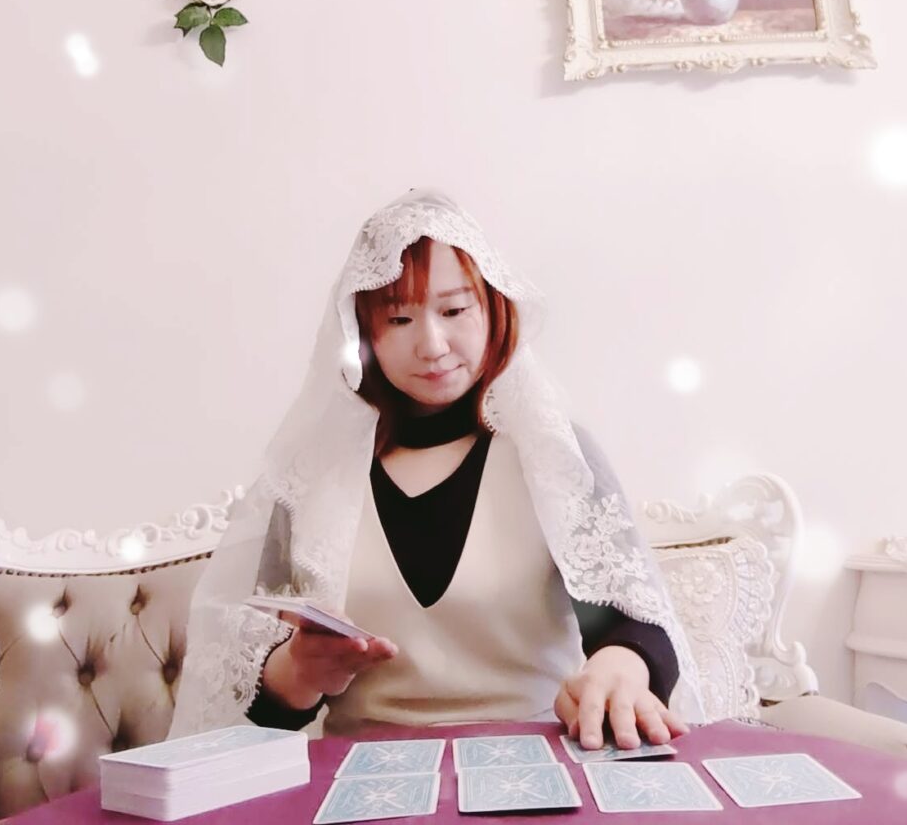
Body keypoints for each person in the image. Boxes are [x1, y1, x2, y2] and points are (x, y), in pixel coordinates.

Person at [170, 189, 705, 747]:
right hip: (362, 778)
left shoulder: (550, 454)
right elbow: (256, 706)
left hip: (535, 763)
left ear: (493, 309)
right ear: (361, 332)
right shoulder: (311, 479)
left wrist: (619, 665)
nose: (431, 345)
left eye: (454, 310)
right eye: (399, 317)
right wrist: (297, 674)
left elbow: (632, 621)